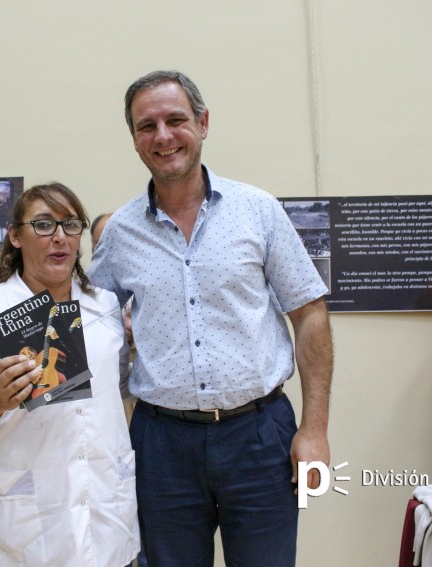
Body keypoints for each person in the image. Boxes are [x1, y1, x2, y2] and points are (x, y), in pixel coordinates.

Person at [89, 70, 333, 567]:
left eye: (175, 120)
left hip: (261, 438)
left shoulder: (257, 210)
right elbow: (90, 324)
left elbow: (310, 314)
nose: (162, 136)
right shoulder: (120, 232)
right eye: (146, 125)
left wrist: (315, 429)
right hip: (161, 446)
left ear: (202, 123)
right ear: (134, 138)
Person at [0, 183, 139, 566]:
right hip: (21, 524)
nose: (59, 237)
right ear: (15, 236)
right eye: (43, 225)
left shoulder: (104, 307)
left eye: (70, 225)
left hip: (103, 508)